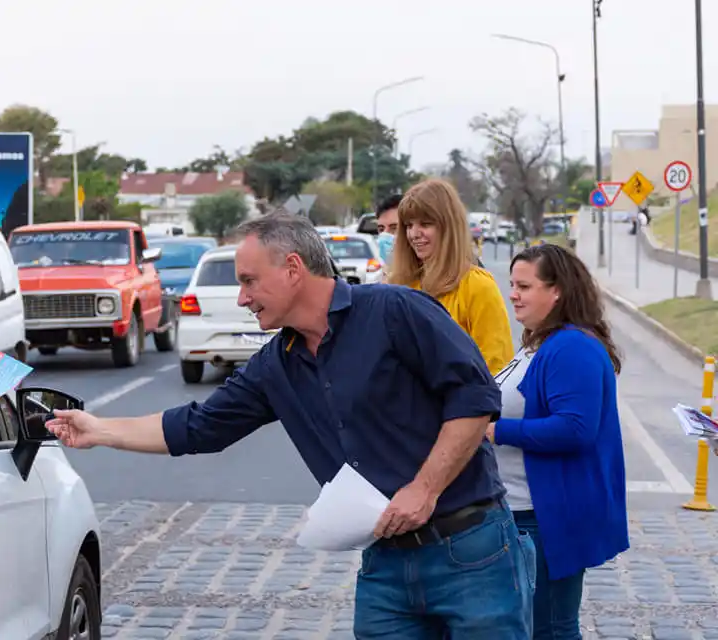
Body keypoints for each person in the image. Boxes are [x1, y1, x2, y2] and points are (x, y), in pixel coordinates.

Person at [45, 213, 535, 637]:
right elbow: (198, 426)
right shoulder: (276, 364)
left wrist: (425, 489)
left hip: (471, 552)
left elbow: (475, 399)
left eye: (249, 281)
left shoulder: (394, 311)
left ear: (293, 269)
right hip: (386, 564)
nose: (242, 298)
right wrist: (99, 430)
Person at [486, 243, 629, 639]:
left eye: (524, 286)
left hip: (546, 517)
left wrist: (496, 431)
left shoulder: (572, 347)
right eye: (512, 284)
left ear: (557, 291)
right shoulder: (539, 342)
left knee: (549, 628)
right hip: (523, 511)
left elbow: (575, 429)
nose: (512, 293)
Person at [387, 178, 514, 376]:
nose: (414, 234)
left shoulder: (478, 286)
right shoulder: (399, 285)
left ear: (449, 227)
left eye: (425, 224)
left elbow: (496, 369)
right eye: (409, 225)